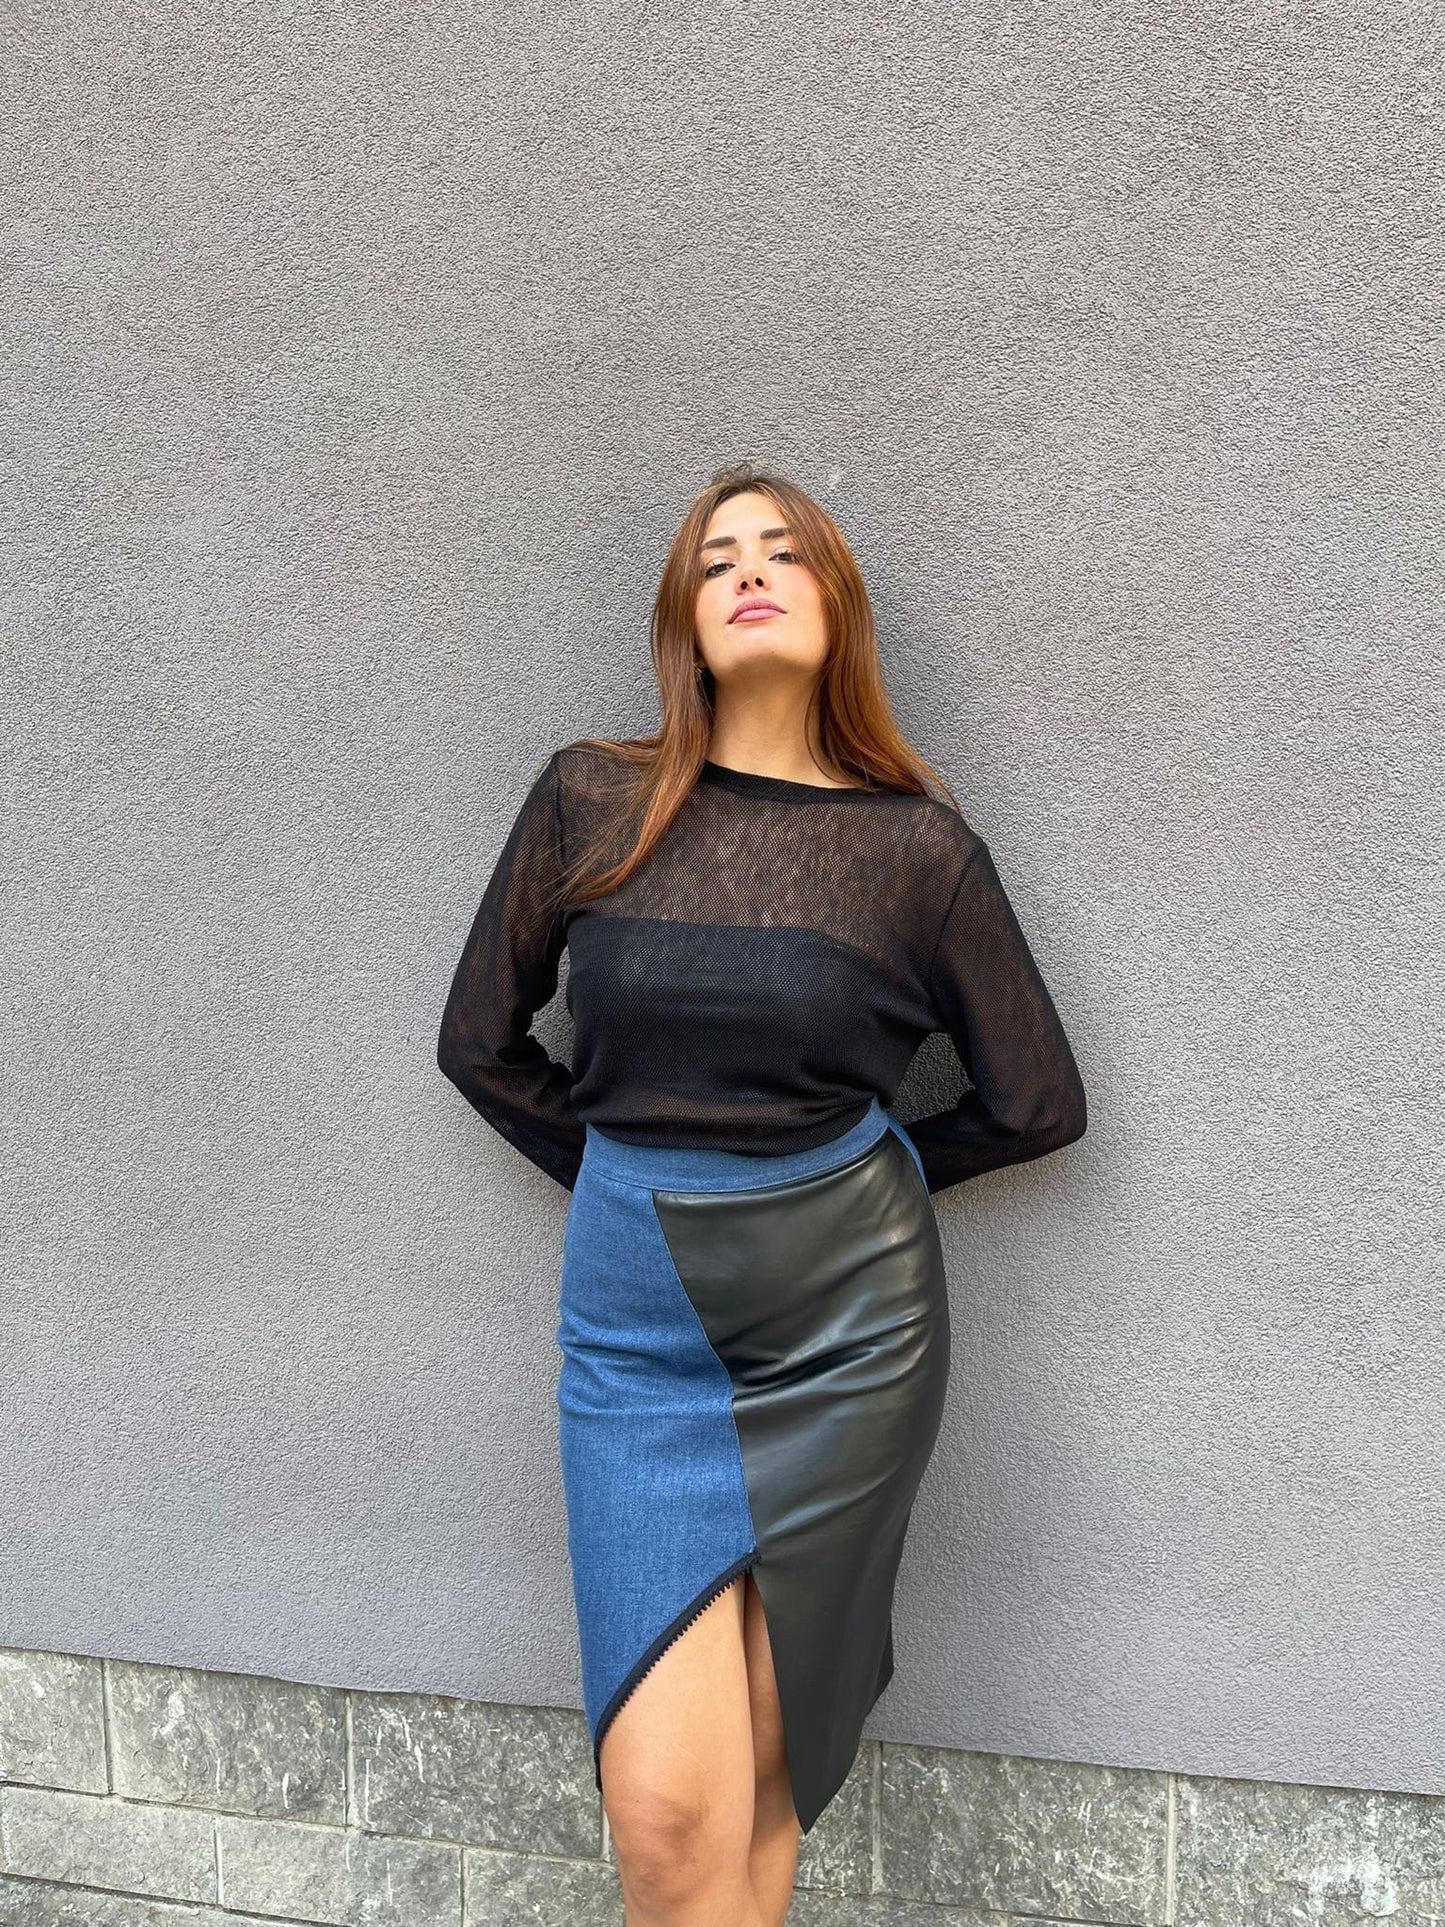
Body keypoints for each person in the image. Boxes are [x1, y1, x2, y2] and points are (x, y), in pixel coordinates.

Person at [436, 462, 1087, 1927]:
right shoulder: (591, 798)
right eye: (715, 556)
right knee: (670, 1818)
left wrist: (842, 1192)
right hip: (637, 1342)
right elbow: (479, 1044)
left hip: (847, 1336)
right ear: (683, 615)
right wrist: (635, 1190)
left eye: (782, 551)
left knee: (771, 1773)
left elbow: (1038, 1104)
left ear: (835, 602)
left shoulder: (917, 849)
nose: (746, 571)